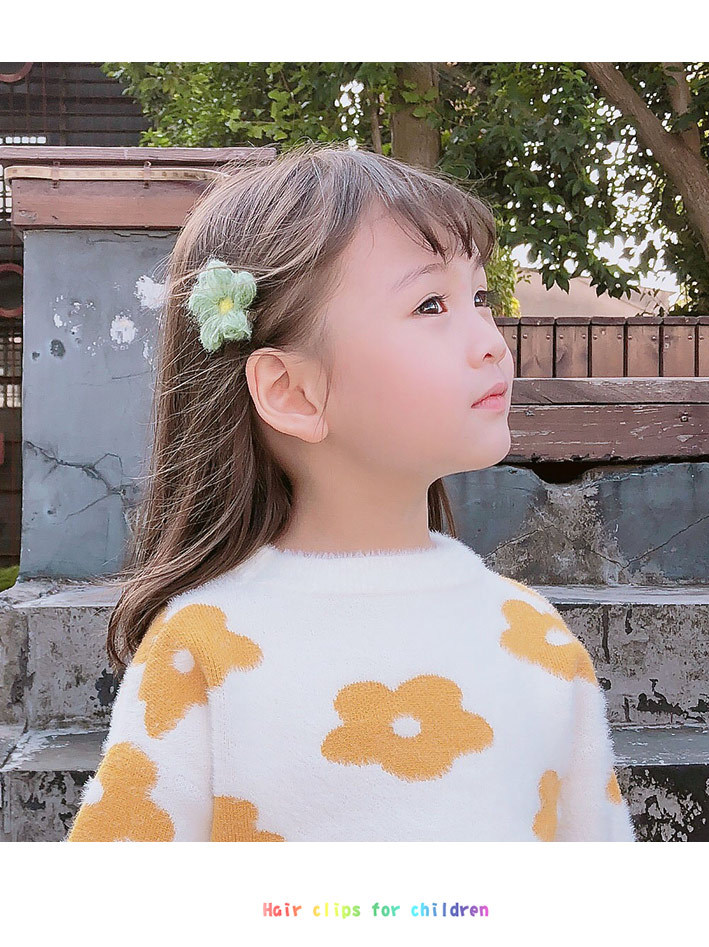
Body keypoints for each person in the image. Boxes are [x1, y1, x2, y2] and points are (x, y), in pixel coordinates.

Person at [66, 141, 636, 842]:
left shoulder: (536, 636)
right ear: (292, 391)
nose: (491, 340)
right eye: (432, 303)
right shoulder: (201, 648)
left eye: (480, 298)